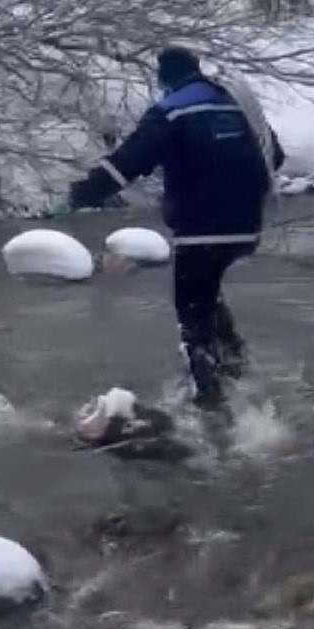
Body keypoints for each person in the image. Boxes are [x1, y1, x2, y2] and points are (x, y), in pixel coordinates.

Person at [66, 47, 285, 405]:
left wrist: (84, 193)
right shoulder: (237, 103)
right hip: (246, 224)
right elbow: (274, 154)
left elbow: (129, 162)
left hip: (200, 226)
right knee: (208, 289)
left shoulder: (170, 110)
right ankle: (235, 362)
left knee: (191, 307)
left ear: (165, 77)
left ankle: (207, 394)